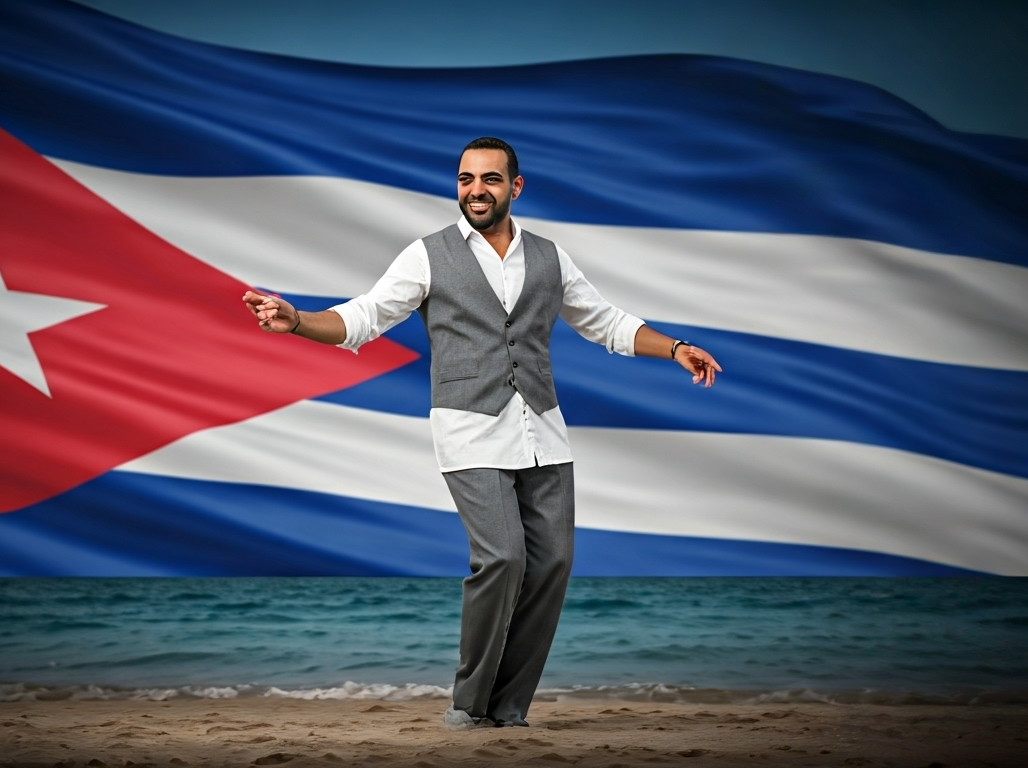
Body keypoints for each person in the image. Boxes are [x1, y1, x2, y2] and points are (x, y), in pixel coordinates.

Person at [242, 137, 721, 729]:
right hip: (469, 429)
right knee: (503, 558)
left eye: (490, 180)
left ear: (514, 188)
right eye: (466, 179)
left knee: (552, 566)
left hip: (544, 430)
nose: (475, 190)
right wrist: (297, 322)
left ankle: (509, 710)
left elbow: (606, 323)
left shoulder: (548, 256)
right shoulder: (427, 255)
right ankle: (468, 705)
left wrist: (675, 348)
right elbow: (365, 317)